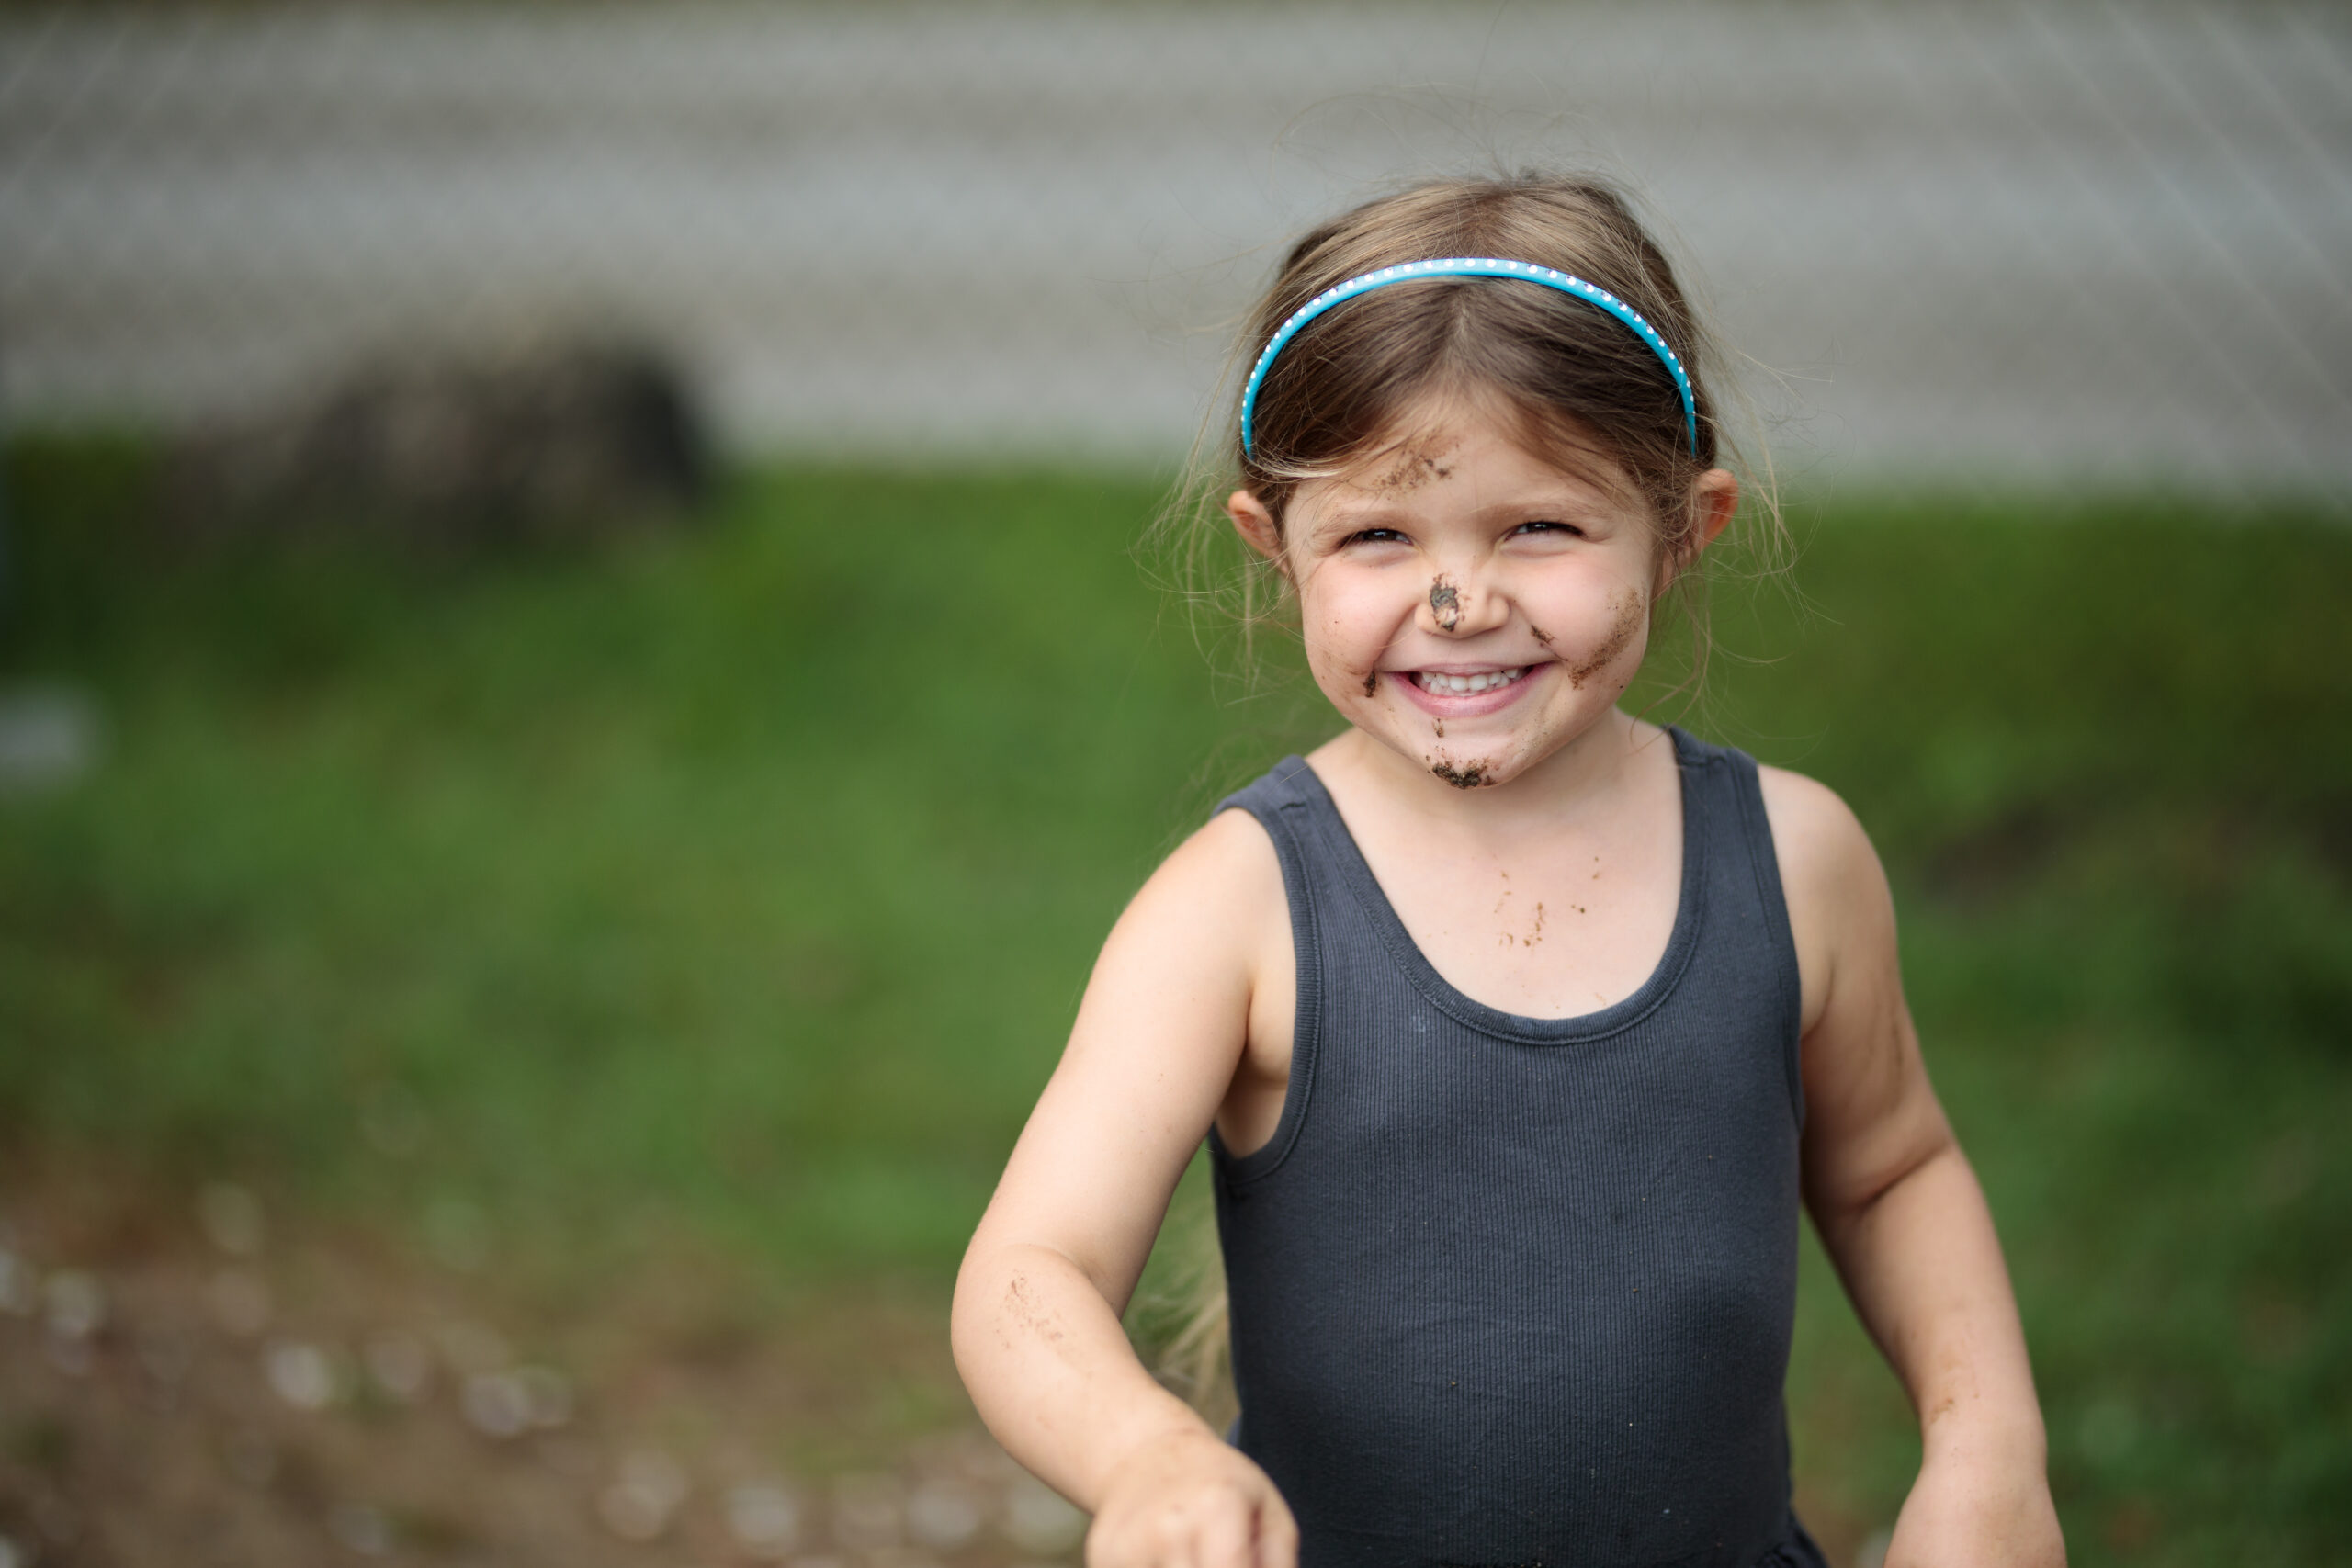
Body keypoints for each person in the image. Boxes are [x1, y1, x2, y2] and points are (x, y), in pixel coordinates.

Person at [951, 173, 2064, 1568]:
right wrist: (1150, 1458)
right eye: (1376, 536)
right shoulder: (1239, 908)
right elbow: (1025, 1274)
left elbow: (1895, 1170)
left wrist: (1987, 1446)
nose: (1459, 599)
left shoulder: (1793, 862)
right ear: (1274, 550)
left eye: (1537, 526)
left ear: (1681, 531)